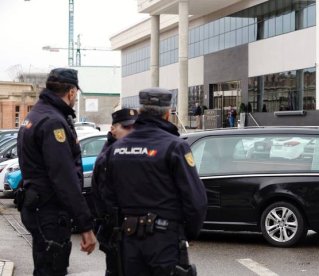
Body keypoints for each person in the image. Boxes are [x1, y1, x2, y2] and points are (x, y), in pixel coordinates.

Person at [101, 87, 208, 276]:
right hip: (164, 241)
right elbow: (195, 199)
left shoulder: (116, 148)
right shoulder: (175, 146)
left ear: (140, 113)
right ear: (167, 114)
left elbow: (103, 194)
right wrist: (188, 233)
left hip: (127, 240)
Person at [16, 68, 96, 275]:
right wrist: (85, 226)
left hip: (38, 206)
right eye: (76, 93)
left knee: (44, 266)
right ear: (71, 92)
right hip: (49, 211)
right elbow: (64, 178)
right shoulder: (53, 122)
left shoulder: (35, 115)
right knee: (51, 268)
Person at [91, 108, 138, 276]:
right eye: (126, 128)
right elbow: (106, 199)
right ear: (113, 129)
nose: (131, 132)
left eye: (134, 127)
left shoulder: (132, 152)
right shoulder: (108, 156)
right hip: (116, 229)